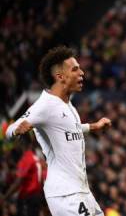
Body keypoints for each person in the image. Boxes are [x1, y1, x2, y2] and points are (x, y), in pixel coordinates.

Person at [5, 46, 112, 216]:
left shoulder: (68, 105)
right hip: (65, 194)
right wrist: (17, 130)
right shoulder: (45, 105)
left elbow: (70, 130)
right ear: (60, 76)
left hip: (82, 191)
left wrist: (93, 126)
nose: (82, 73)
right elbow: (9, 130)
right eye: (75, 69)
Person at [0, 134, 46, 216]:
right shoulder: (35, 157)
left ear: (21, 143)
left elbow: (19, 181)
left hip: (27, 198)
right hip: (36, 197)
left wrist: (5, 197)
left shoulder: (26, 159)